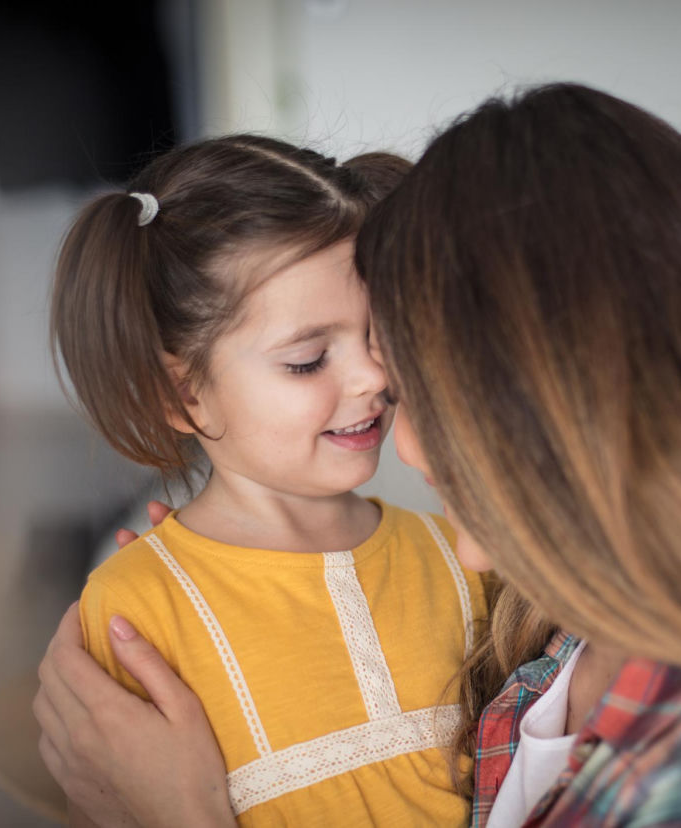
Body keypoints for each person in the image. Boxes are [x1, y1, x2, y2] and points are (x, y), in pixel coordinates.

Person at [35, 84, 681, 827]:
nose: (384, 405)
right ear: (181, 393)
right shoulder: (555, 644)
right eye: (310, 359)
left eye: (402, 365)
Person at [45, 134, 487, 827]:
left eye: (377, 334)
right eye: (309, 360)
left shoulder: (461, 557)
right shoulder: (136, 610)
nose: (374, 375)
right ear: (183, 396)